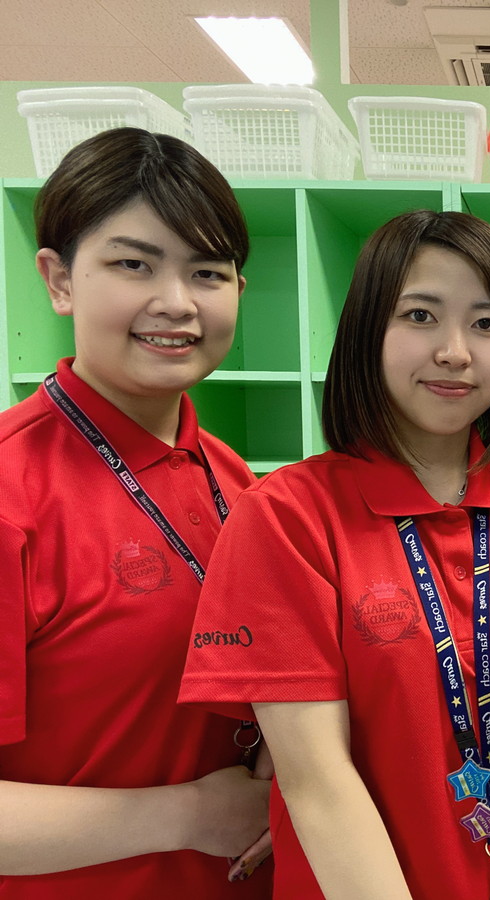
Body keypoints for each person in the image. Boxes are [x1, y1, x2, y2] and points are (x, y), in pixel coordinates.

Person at [179, 208, 490, 900]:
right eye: (421, 316)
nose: (456, 351)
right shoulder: (285, 517)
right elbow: (317, 779)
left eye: (486, 323)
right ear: (367, 329)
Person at [0, 128, 270, 896]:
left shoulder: (232, 479)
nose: (177, 303)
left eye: (207, 272)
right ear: (58, 280)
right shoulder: (13, 493)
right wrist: (185, 814)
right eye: (134, 264)